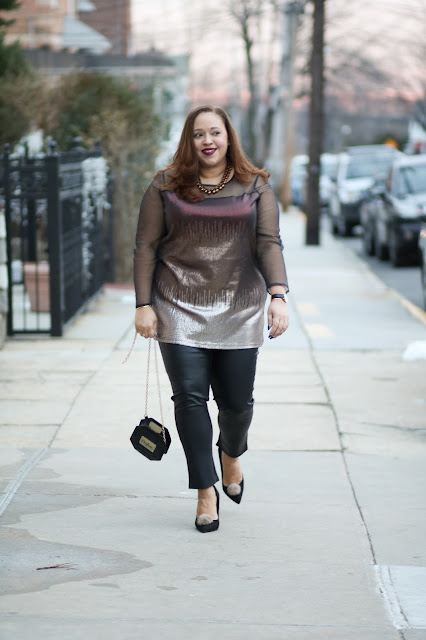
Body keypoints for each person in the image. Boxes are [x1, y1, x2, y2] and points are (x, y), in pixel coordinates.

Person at [133, 105, 289, 533]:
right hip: (177, 304)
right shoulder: (165, 185)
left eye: (215, 132)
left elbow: (269, 243)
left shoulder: (255, 185)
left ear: (228, 137)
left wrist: (278, 295)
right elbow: (145, 246)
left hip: (240, 306)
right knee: (189, 399)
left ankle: (231, 453)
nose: (207, 141)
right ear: (189, 140)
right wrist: (143, 304)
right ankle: (205, 490)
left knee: (237, 405)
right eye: (199, 134)